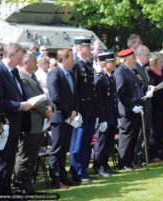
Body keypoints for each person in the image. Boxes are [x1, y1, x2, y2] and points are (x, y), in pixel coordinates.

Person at [13, 50, 53, 193]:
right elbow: (31, 99)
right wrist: (46, 111)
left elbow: (43, 95)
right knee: (24, 157)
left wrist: (51, 108)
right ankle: (20, 187)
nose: (37, 63)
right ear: (26, 62)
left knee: (33, 156)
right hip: (29, 124)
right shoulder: (21, 76)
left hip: (38, 124)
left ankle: (28, 185)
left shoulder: (32, 76)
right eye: (34, 61)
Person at [0, 43, 32, 194]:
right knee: (2, 160)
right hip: (4, 124)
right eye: (19, 57)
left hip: (16, 124)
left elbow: (19, 93)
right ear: (10, 56)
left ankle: (6, 191)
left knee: (10, 159)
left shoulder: (14, 71)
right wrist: (19, 106)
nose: (21, 60)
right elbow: (0, 100)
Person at [47, 48, 79, 189]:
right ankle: (55, 180)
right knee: (56, 149)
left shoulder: (70, 73)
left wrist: (75, 111)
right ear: (64, 59)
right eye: (71, 57)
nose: (73, 60)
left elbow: (74, 95)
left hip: (70, 117)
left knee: (64, 149)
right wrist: (69, 113)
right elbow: (55, 97)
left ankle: (64, 177)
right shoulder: (54, 74)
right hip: (59, 118)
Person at [69, 36, 97, 182]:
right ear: (80, 48)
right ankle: (77, 172)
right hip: (81, 110)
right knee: (78, 143)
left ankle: (84, 169)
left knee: (87, 142)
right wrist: (76, 110)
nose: (90, 49)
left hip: (90, 109)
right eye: (87, 46)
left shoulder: (87, 64)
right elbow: (75, 91)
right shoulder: (75, 65)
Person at [114, 48, 144, 171]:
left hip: (136, 107)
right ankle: (123, 162)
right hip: (127, 109)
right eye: (132, 58)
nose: (135, 60)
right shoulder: (120, 71)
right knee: (126, 137)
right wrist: (132, 106)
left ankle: (129, 161)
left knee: (134, 136)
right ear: (125, 59)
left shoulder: (130, 70)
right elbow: (120, 93)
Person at [93, 52, 120, 177]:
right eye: (112, 62)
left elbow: (114, 100)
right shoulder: (99, 78)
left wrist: (117, 117)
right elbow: (97, 101)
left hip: (112, 115)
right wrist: (101, 119)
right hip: (104, 117)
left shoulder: (111, 77)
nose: (115, 64)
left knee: (109, 143)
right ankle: (98, 165)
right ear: (105, 63)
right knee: (102, 142)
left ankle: (104, 164)